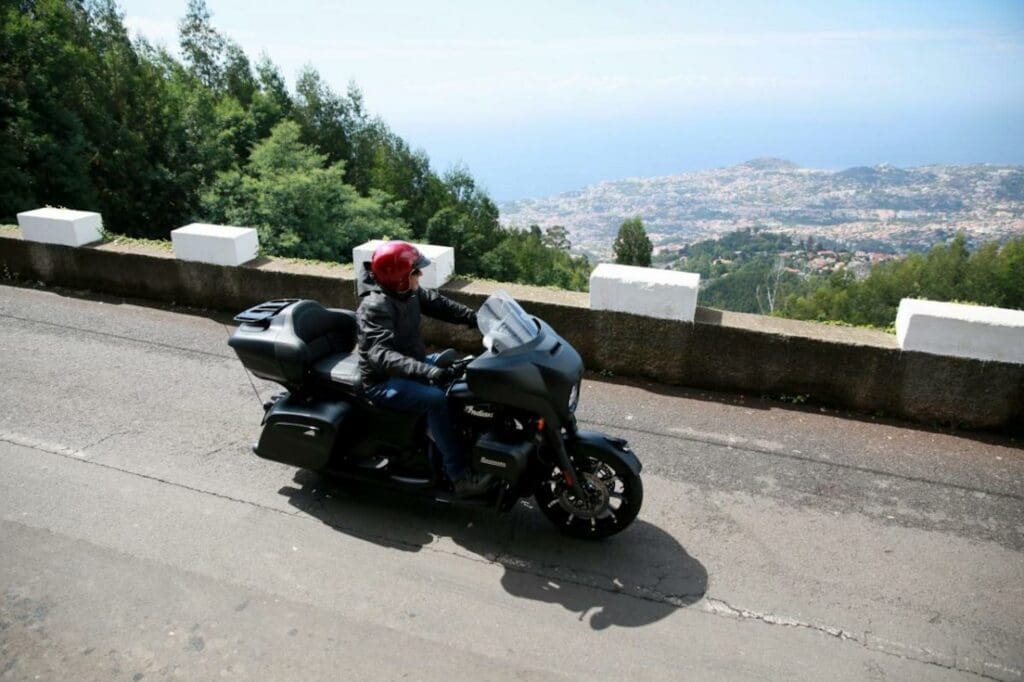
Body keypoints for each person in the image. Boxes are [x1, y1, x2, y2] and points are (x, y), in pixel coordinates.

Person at [356, 240, 494, 498]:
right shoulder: (375, 306)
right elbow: (380, 355)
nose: (420, 275)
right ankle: (459, 476)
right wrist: (428, 371)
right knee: (435, 400)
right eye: (414, 271)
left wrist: (477, 319)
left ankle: (455, 439)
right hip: (382, 380)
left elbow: (439, 304)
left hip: (412, 365)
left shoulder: (406, 292)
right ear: (399, 278)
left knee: (463, 374)